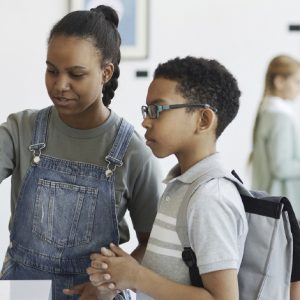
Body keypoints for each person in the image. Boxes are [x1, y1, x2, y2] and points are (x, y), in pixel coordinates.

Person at [0, 5, 162, 300]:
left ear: (106, 73)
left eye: (76, 74)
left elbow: (152, 242)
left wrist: (110, 283)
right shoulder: (20, 129)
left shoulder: (132, 151)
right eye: (51, 70)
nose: (60, 85)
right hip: (22, 291)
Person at [87, 56, 249, 299]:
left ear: (203, 120)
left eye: (157, 110)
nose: (145, 121)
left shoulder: (210, 198)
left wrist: (135, 276)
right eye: (146, 110)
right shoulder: (180, 186)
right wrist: (119, 274)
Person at [250, 55, 300, 220]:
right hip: (282, 210)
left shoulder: (269, 113)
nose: (298, 88)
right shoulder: (280, 118)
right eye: (297, 82)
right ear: (279, 82)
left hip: (271, 208)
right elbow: (281, 167)